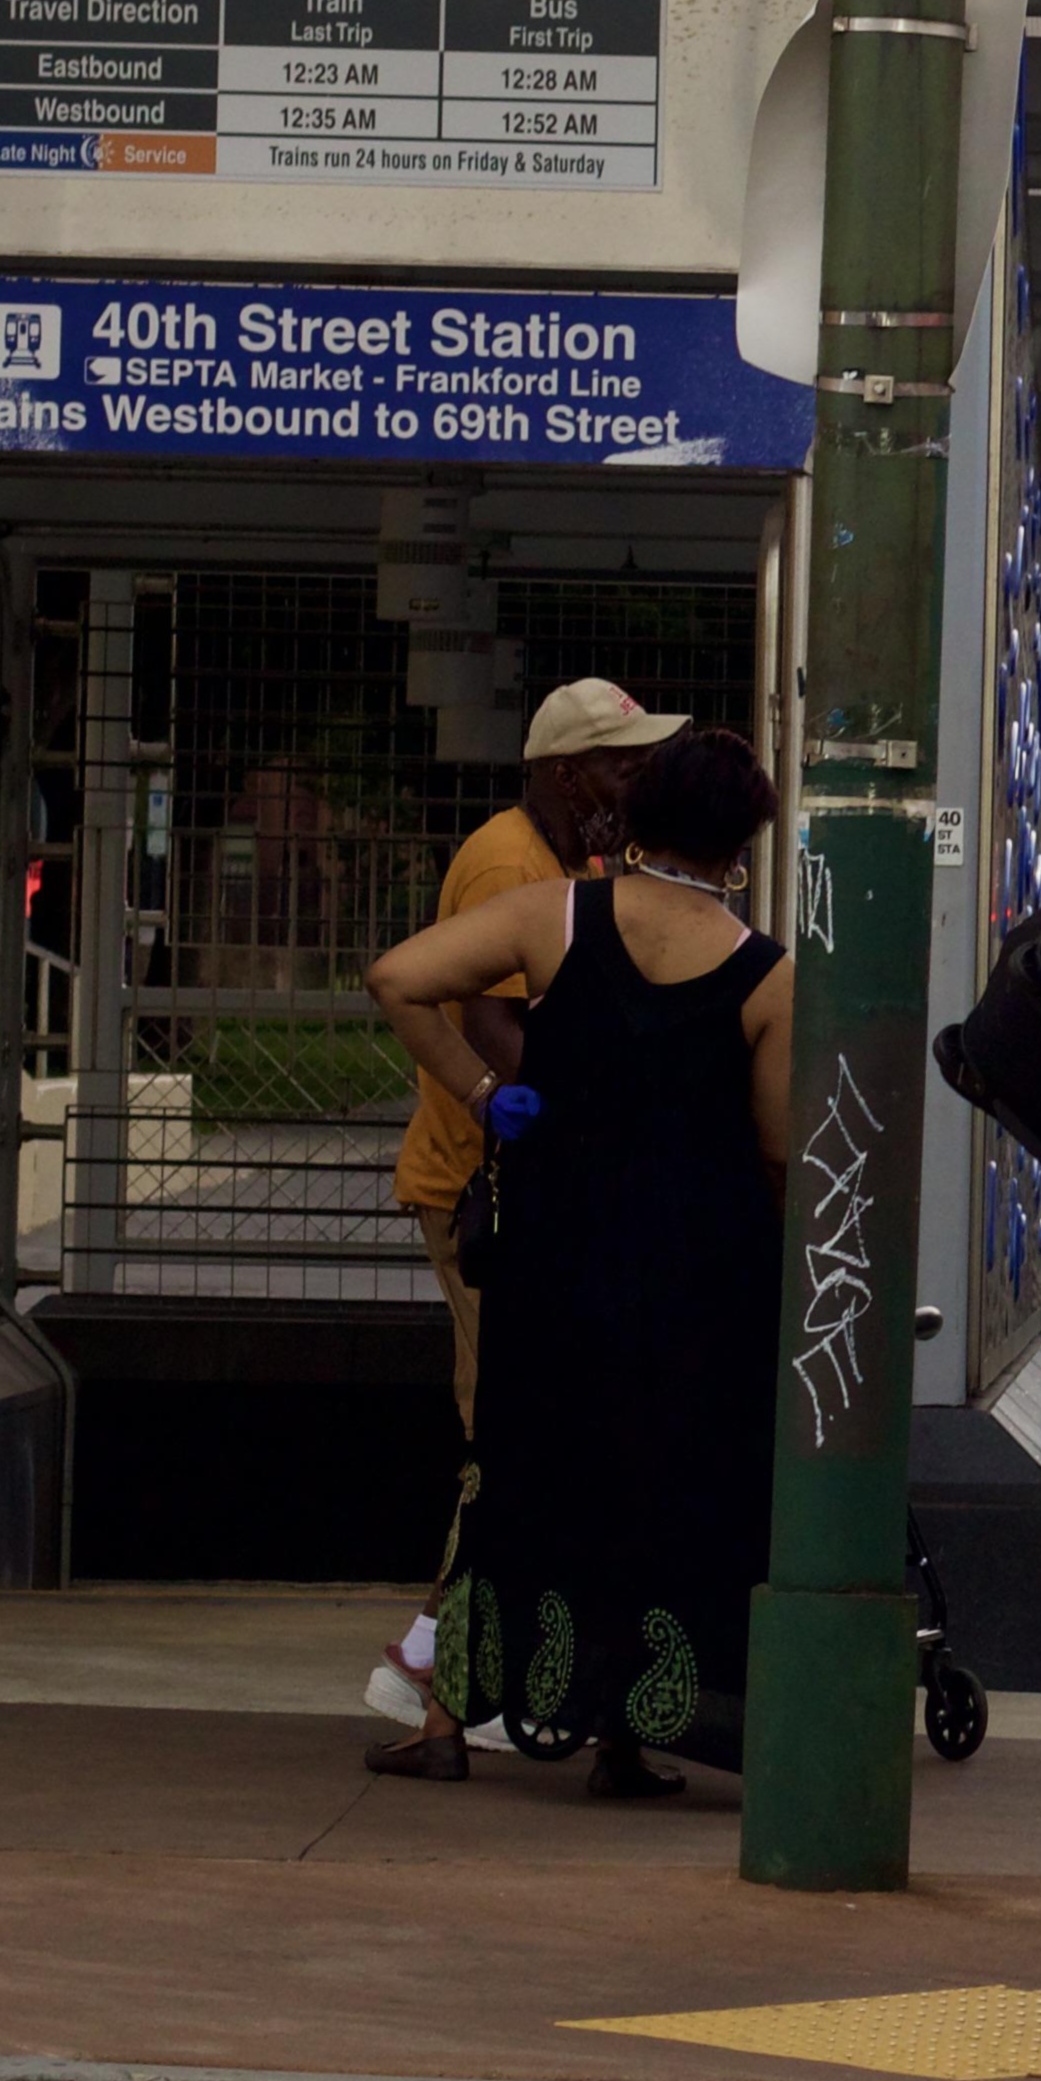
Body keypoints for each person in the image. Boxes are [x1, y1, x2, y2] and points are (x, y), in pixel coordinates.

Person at [364, 725, 794, 1797]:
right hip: (694, 1279)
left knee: (516, 1472)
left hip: (554, 1262)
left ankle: (448, 1719)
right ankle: (630, 1735)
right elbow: (780, 1146)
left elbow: (399, 976)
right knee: (663, 1489)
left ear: (638, 816)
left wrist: (479, 1093)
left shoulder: (554, 916)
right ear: (741, 841)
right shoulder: (768, 976)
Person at [362, 677, 680, 1761]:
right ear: (560, 771)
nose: (632, 779)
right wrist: (564, 1114)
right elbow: (489, 1014)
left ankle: (441, 1664)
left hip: (517, 1189)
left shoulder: (567, 860)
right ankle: (429, 1668)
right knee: (499, 1435)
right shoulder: (510, 861)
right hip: (485, 1194)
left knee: (515, 1432)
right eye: (617, 761)